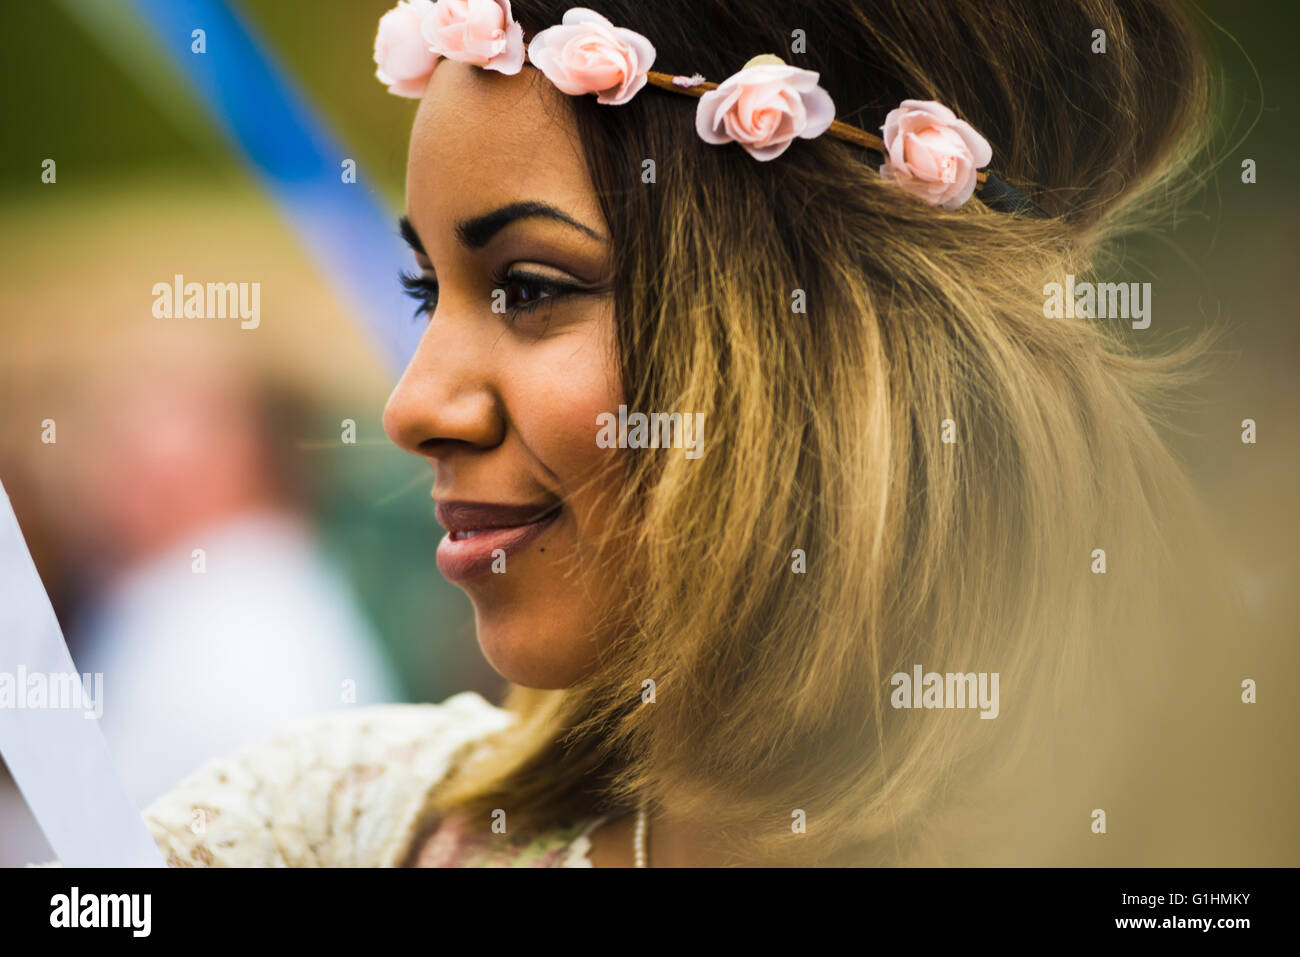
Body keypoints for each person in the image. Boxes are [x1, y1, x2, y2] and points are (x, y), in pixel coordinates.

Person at [143, 0, 1220, 867]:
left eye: (526, 287)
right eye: (429, 292)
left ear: (833, 329)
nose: (412, 407)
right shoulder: (333, 832)